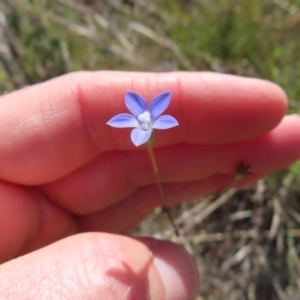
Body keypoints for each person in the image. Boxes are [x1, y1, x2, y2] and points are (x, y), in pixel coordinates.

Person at [0, 71, 299, 300]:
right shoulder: (138, 123)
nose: (144, 122)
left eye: (148, 120)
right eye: (141, 121)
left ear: (155, 117)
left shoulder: (158, 119)